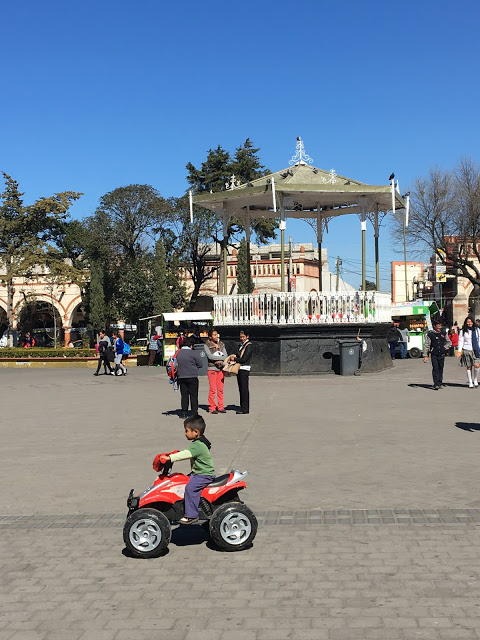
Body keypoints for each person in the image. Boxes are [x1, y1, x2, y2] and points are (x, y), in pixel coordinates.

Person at [162, 415, 215, 525]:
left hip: (203, 475)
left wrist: (170, 457)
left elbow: (187, 454)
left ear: (196, 432)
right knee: (180, 481)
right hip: (198, 473)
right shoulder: (199, 442)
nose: (185, 433)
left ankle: (191, 515)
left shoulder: (198, 445)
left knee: (190, 488)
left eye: (186, 431)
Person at [176, 337, 203, 418]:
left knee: (184, 395)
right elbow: (200, 364)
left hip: (181, 376)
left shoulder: (178, 353)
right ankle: (194, 413)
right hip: (192, 376)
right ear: (191, 345)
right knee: (193, 395)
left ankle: (184, 412)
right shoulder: (194, 353)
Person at [229, 328, 253, 414]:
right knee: (241, 388)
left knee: (244, 389)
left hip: (244, 368)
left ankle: (245, 408)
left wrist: (235, 359)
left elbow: (244, 359)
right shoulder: (241, 345)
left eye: (243, 337)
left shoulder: (249, 346)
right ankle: (242, 406)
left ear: (247, 336)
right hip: (239, 368)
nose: (242, 338)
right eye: (240, 337)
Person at [204, 329, 228, 414]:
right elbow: (210, 356)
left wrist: (220, 361)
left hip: (221, 368)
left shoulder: (221, 344)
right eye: (214, 335)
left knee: (220, 389)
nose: (216, 336)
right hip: (212, 368)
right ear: (210, 336)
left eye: (217, 334)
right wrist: (219, 359)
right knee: (213, 389)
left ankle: (220, 406)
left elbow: (226, 355)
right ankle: (212, 407)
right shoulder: (207, 345)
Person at [423, 320, 451, 390]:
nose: (439, 327)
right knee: (435, 368)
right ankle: (436, 384)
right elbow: (426, 345)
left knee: (441, 368)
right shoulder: (430, 334)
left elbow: (449, 342)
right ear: (434, 326)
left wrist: (444, 347)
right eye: (437, 326)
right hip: (434, 354)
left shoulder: (443, 333)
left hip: (442, 353)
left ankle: (440, 382)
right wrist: (425, 356)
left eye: (440, 325)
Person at [456, 316, 480, 388]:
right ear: (466, 323)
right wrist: (459, 351)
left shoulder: (477, 330)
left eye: (471, 322)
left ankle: (475, 380)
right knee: (469, 366)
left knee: (477, 365)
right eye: (468, 322)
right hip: (467, 349)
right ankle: (470, 382)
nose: (469, 323)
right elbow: (461, 341)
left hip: (476, 350)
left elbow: (479, 340)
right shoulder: (463, 331)